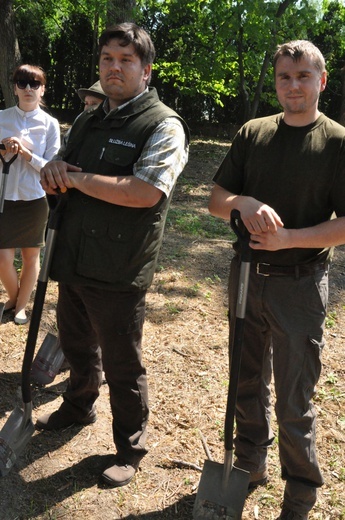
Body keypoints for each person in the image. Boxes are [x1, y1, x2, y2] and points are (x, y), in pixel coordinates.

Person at [36, 22, 189, 488]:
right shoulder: (90, 118)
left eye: (126, 60)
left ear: (146, 70)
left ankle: (130, 445)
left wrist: (77, 179)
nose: (114, 68)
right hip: (74, 257)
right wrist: (54, 168)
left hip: (119, 269)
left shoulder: (163, 125)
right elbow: (62, 165)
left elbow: (145, 193)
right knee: (78, 345)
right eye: (107, 59)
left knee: (124, 365)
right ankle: (79, 406)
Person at [208, 40, 345, 520]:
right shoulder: (254, 132)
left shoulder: (336, 142)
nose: (293, 86)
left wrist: (289, 239)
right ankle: (249, 463)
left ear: (321, 81)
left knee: (294, 396)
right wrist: (241, 203)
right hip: (245, 274)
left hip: (300, 285)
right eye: (284, 77)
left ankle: (301, 493)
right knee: (245, 380)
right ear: (276, 82)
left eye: (303, 76)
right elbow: (216, 197)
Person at [0, 64, 60, 325]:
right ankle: (14, 297)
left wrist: (26, 154)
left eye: (34, 84)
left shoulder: (50, 124)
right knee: (2, 257)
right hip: (2, 197)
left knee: (30, 256)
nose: (27, 89)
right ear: (14, 87)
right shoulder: (1, 117)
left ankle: (21, 306)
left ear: (42, 89)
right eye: (22, 83)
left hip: (34, 199)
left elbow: (52, 164)